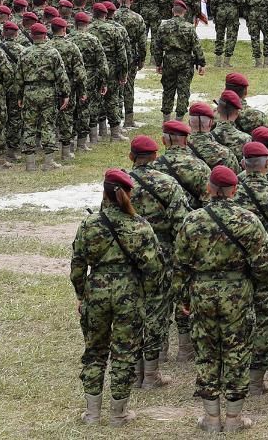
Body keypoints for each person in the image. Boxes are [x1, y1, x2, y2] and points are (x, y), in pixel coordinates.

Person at [172, 164, 268, 432]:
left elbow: (180, 264)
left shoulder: (192, 220)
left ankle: (211, 419)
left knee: (206, 353)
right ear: (234, 190)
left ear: (209, 189)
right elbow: (265, 263)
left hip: (202, 292)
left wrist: (183, 297)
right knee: (237, 352)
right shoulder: (248, 220)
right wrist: (259, 291)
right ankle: (233, 418)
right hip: (238, 293)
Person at [70, 168, 165, 425]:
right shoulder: (140, 226)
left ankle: (92, 413)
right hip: (129, 293)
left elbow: (77, 265)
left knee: (94, 351)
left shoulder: (89, 225)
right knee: (124, 353)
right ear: (129, 194)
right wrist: (147, 295)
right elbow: (154, 269)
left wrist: (81, 294)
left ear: (104, 193)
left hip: (96, 292)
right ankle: (118, 414)